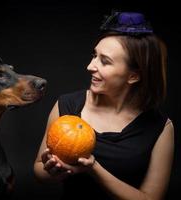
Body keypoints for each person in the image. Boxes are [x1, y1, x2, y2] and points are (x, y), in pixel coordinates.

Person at [33, 11, 174, 200]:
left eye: (104, 61)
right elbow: (38, 170)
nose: (90, 66)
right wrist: (52, 171)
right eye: (94, 55)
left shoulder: (161, 128)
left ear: (134, 76)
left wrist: (94, 169)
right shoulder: (67, 106)